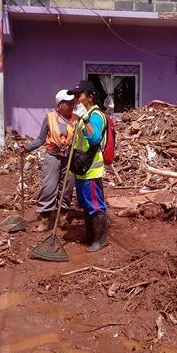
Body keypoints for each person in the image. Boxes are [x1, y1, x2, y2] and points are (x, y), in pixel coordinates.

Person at [21, 89, 76, 231]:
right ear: (60, 104)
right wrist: (27, 148)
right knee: (49, 187)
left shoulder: (76, 119)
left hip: (70, 158)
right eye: (68, 103)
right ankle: (45, 220)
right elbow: (41, 139)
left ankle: (62, 218)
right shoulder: (50, 118)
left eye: (73, 103)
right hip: (53, 157)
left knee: (67, 188)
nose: (72, 106)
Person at [67, 80, 109, 253]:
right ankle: (90, 235)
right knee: (85, 203)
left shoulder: (96, 116)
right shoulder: (84, 114)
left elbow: (94, 139)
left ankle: (101, 239)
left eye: (79, 95)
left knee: (95, 205)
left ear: (90, 97)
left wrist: (85, 119)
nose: (76, 99)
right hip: (81, 167)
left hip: (91, 168)